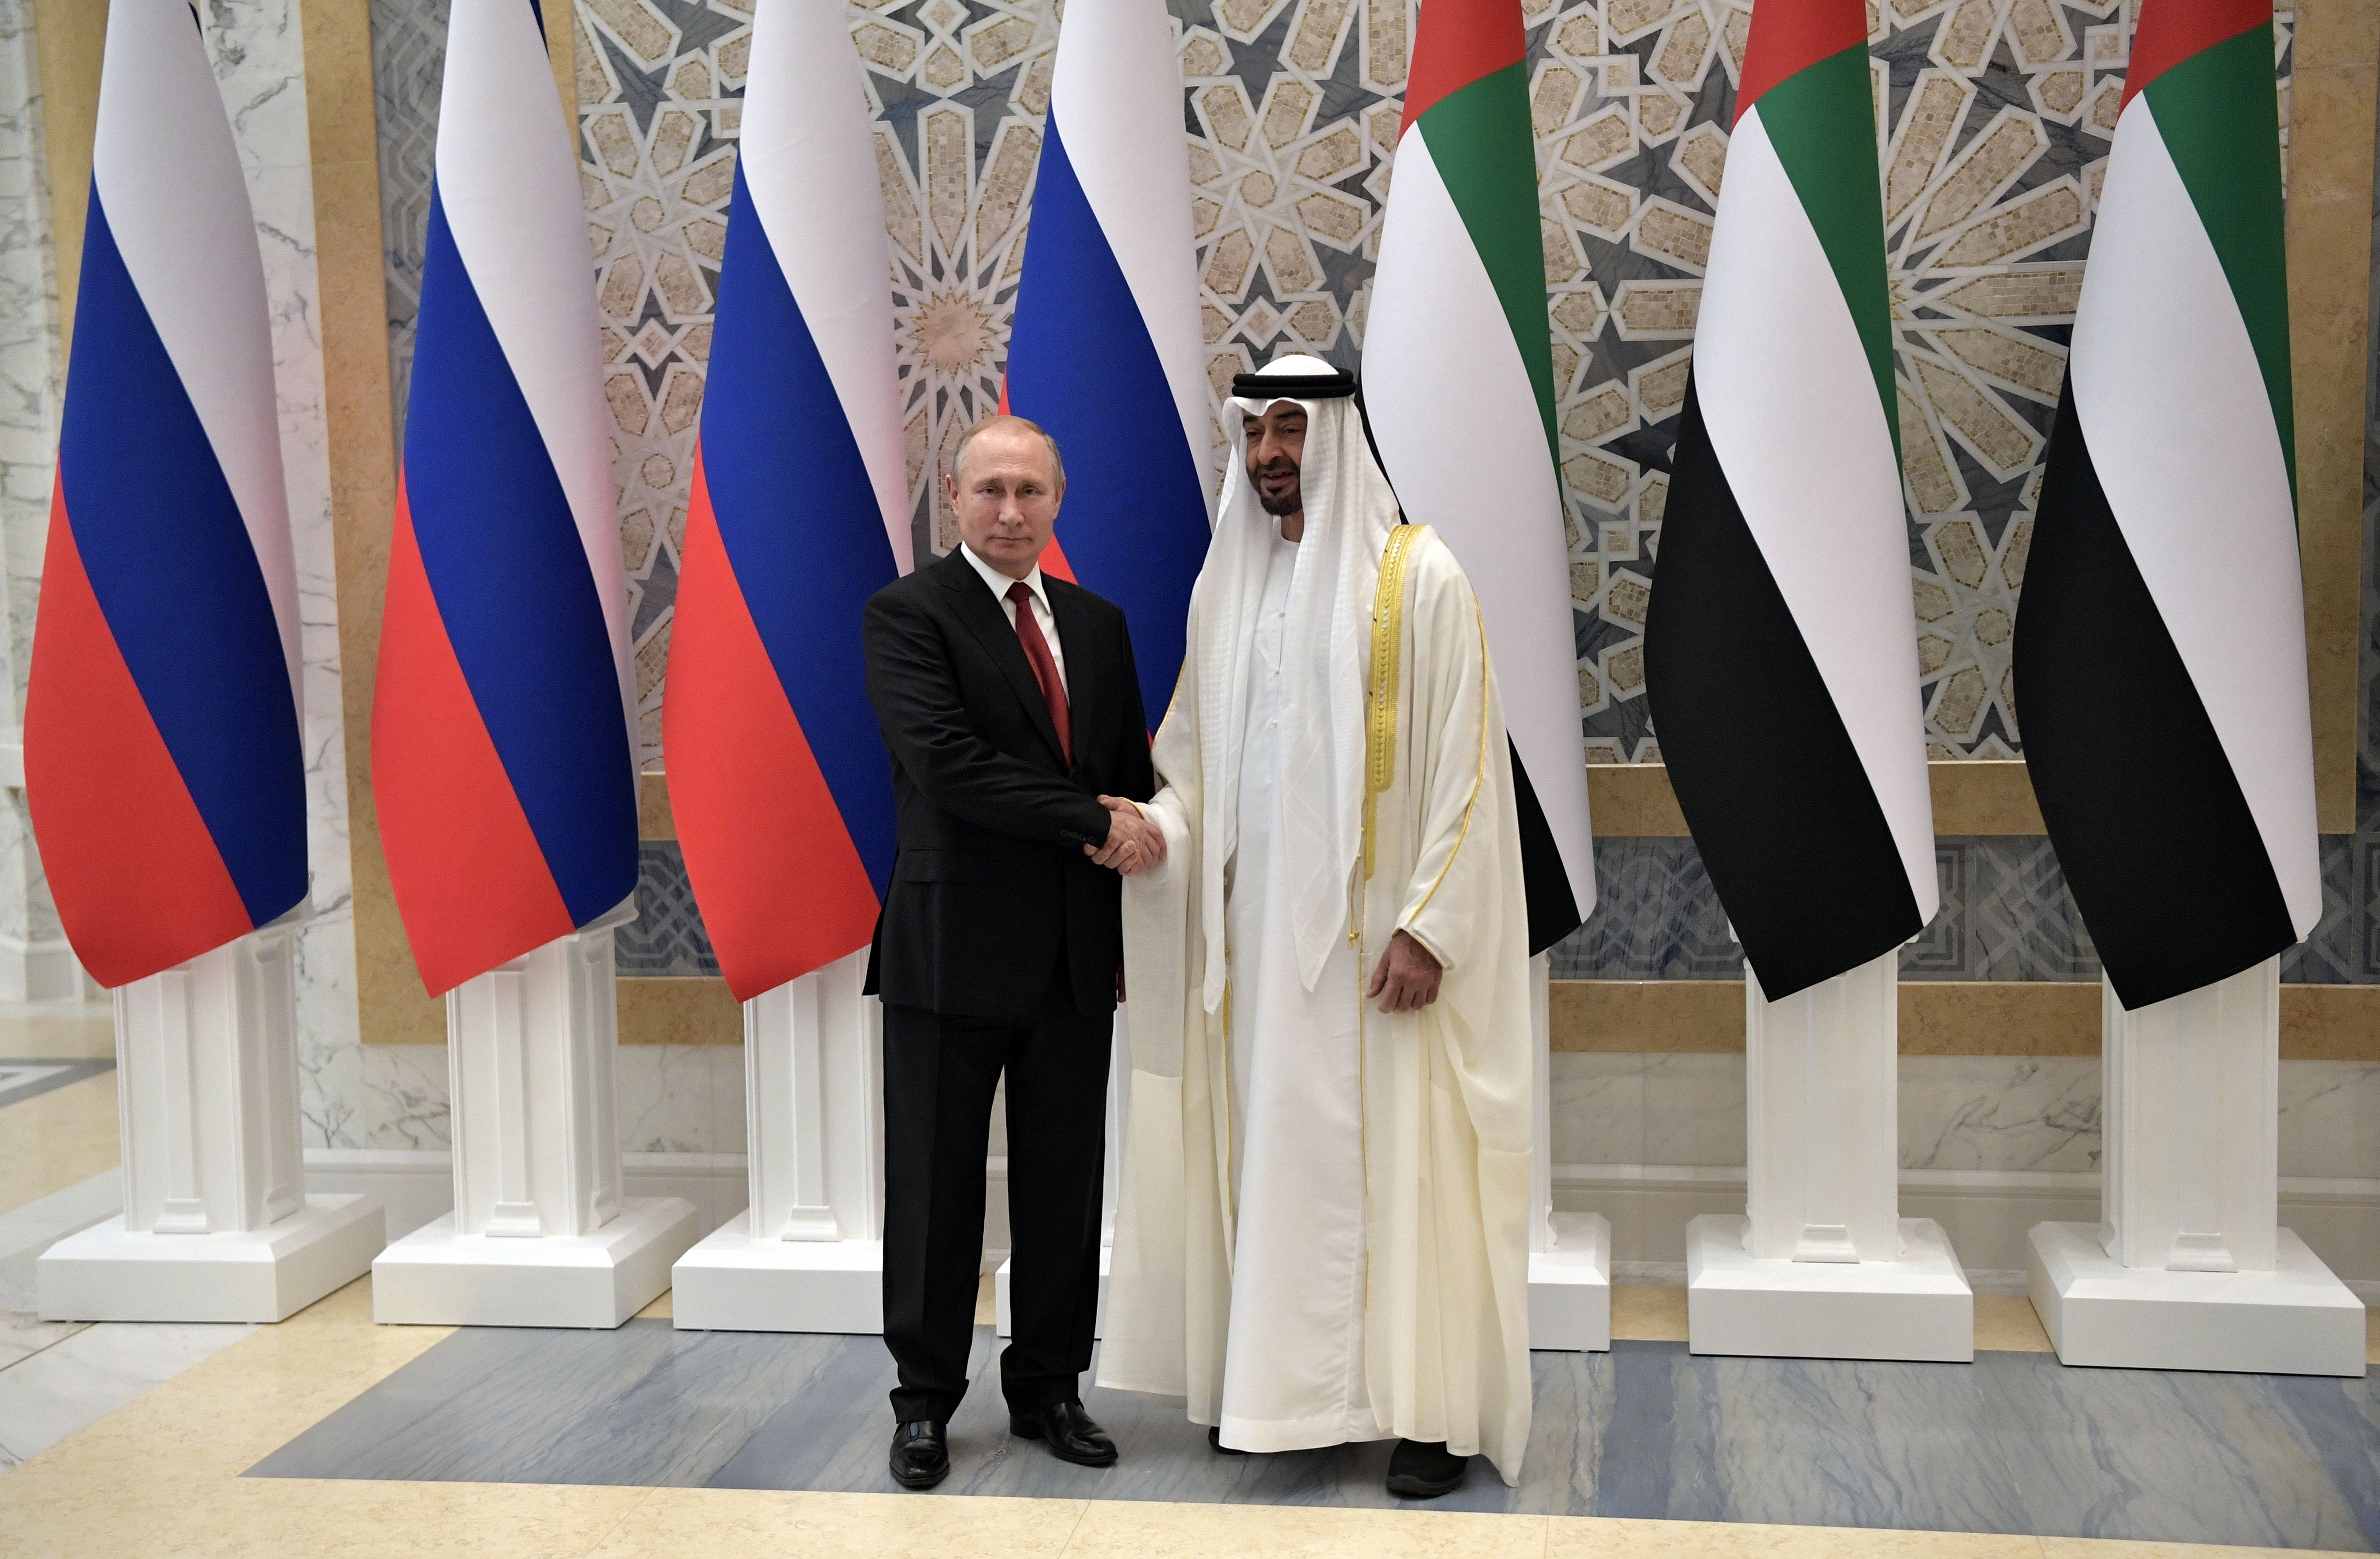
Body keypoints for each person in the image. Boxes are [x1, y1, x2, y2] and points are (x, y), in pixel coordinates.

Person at [1095, 356, 1535, 1497]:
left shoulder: (1420, 576)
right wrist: (1158, 835)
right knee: (1274, 1171)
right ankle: (1282, 1398)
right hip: (1256, 971)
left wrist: (1432, 925)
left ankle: (1423, 1414)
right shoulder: (1223, 588)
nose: (1270, 454)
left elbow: (1467, 766)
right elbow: (1195, 775)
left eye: (1291, 429)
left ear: (1335, 435)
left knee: (1409, 1169)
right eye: (1254, 434)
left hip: (1378, 959)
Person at [861, 413, 1167, 1491]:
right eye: (989, 489)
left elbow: (1128, 772)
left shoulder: (1098, 624)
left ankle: (1047, 1388)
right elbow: (950, 767)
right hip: (948, 952)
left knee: (1063, 1187)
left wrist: (1149, 823)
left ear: (1056, 503)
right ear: (954, 498)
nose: (1008, 510)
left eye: (1029, 492)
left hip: (1075, 957)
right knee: (934, 1189)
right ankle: (924, 1404)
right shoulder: (907, 613)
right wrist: (1094, 821)